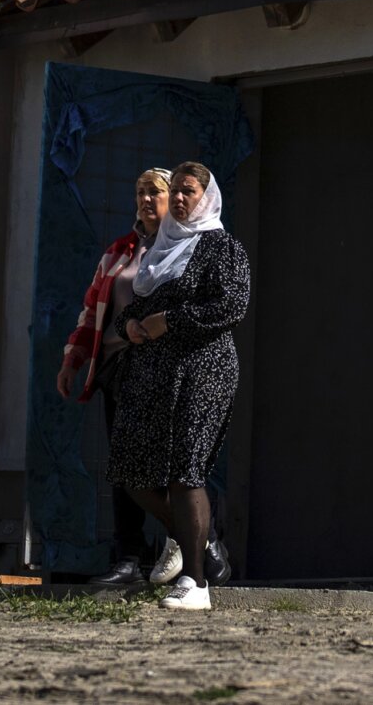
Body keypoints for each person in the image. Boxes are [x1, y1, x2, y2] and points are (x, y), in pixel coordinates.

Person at [109, 159, 250, 611]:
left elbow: (231, 306)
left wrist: (168, 321)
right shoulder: (158, 250)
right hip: (153, 372)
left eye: (191, 191)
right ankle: (195, 541)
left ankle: (195, 583)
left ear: (206, 198)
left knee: (186, 469)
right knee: (130, 470)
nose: (183, 198)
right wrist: (131, 325)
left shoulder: (221, 247)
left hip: (203, 369)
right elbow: (133, 307)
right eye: (180, 190)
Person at [56, 167, 183, 589]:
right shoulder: (119, 251)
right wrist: (72, 359)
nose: (147, 200)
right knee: (122, 467)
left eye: (156, 193)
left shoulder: (184, 248)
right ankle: (129, 556)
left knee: (162, 464)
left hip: (162, 372)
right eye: (141, 192)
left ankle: (194, 543)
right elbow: (92, 309)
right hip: (118, 371)